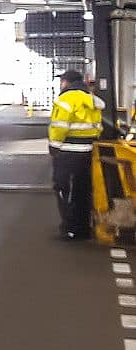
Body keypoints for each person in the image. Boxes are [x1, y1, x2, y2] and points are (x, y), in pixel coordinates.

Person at [48, 69, 102, 241]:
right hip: (87, 151)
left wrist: (54, 147)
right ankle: (83, 228)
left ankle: (69, 227)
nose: (60, 84)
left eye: (62, 81)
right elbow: (98, 127)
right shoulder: (90, 99)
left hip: (67, 151)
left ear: (66, 82)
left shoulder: (65, 99)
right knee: (83, 189)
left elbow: (59, 127)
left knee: (62, 187)